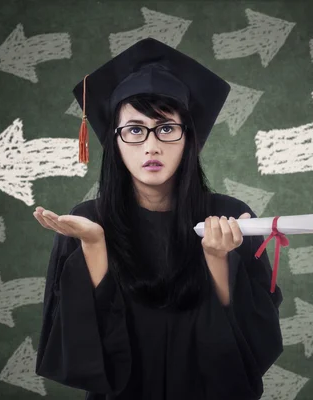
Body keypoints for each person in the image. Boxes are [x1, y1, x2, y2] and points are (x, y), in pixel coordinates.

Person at [32, 38, 283, 400]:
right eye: (134, 130)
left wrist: (218, 259)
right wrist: (94, 246)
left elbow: (249, 345)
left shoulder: (230, 217)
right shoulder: (88, 221)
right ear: (114, 141)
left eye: (166, 128)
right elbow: (84, 349)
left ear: (188, 139)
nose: (151, 145)